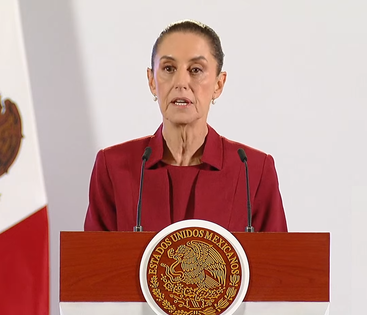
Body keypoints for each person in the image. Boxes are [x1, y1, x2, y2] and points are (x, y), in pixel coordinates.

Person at [83, 20, 287, 232]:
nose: (181, 82)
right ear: (152, 81)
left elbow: (278, 262)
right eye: (169, 68)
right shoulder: (114, 167)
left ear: (219, 84)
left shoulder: (252, 170)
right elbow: (92, 261)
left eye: (196, 70)